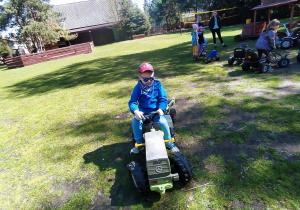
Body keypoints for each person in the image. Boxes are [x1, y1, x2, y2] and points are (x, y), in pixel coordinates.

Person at [128, 62, 179, 154]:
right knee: (135, 122)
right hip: (143, 112)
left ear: (154, 75)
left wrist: (161, 109)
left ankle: (169, 142)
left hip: (156, 111)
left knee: (163, 122)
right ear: (139, 77)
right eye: (145, 79)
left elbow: (163, 99)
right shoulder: (138, 87)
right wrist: (136, 111)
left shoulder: (157, 85)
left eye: (151, 78)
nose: (149, 81)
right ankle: (138, 143)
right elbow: (132, 102)